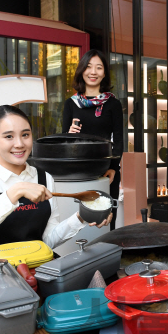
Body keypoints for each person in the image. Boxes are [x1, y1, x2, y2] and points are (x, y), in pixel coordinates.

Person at [0, 105, 112, 249]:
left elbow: (47, 241)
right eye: (9, 136)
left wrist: (82, 217)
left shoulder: (45, 178)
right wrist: (14, 193)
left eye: (25, 135)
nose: (19, 144)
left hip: (36, 270)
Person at [62, 49, 123, 230]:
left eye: (99, 68)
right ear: (82, 71)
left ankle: (106, 254)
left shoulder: (113, 104)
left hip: (105, 170)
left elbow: (119, 139)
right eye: (89, 67)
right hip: (78, 170)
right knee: (78, 217)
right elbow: (64, 141)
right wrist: (69, 134)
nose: (93, 72)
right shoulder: (70, 103)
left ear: (104, 73)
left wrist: (113, 168)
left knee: (105, 220)